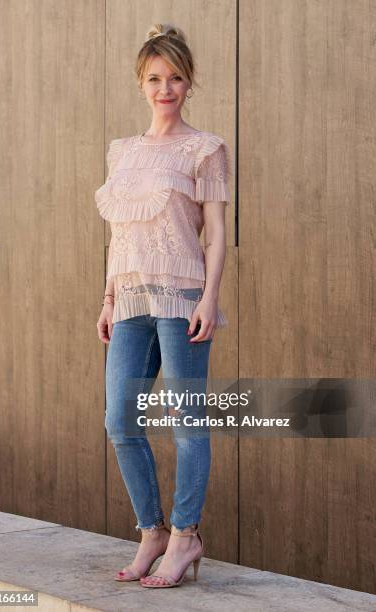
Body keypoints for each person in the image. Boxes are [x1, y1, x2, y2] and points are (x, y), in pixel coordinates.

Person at [95, 22, 231, 588]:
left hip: (182, 299)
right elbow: (119, 234)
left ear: (189, 82)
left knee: (185, 421)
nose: (165, 88)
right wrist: (106, 298)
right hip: (128, 300)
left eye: (175, 77)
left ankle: (185, 536)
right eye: (155, 78)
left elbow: (218, 233)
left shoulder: (206, 149)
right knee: (121, 420)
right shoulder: (122, 151)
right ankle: (150, 531)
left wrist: (210, 296)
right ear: (141, 83)